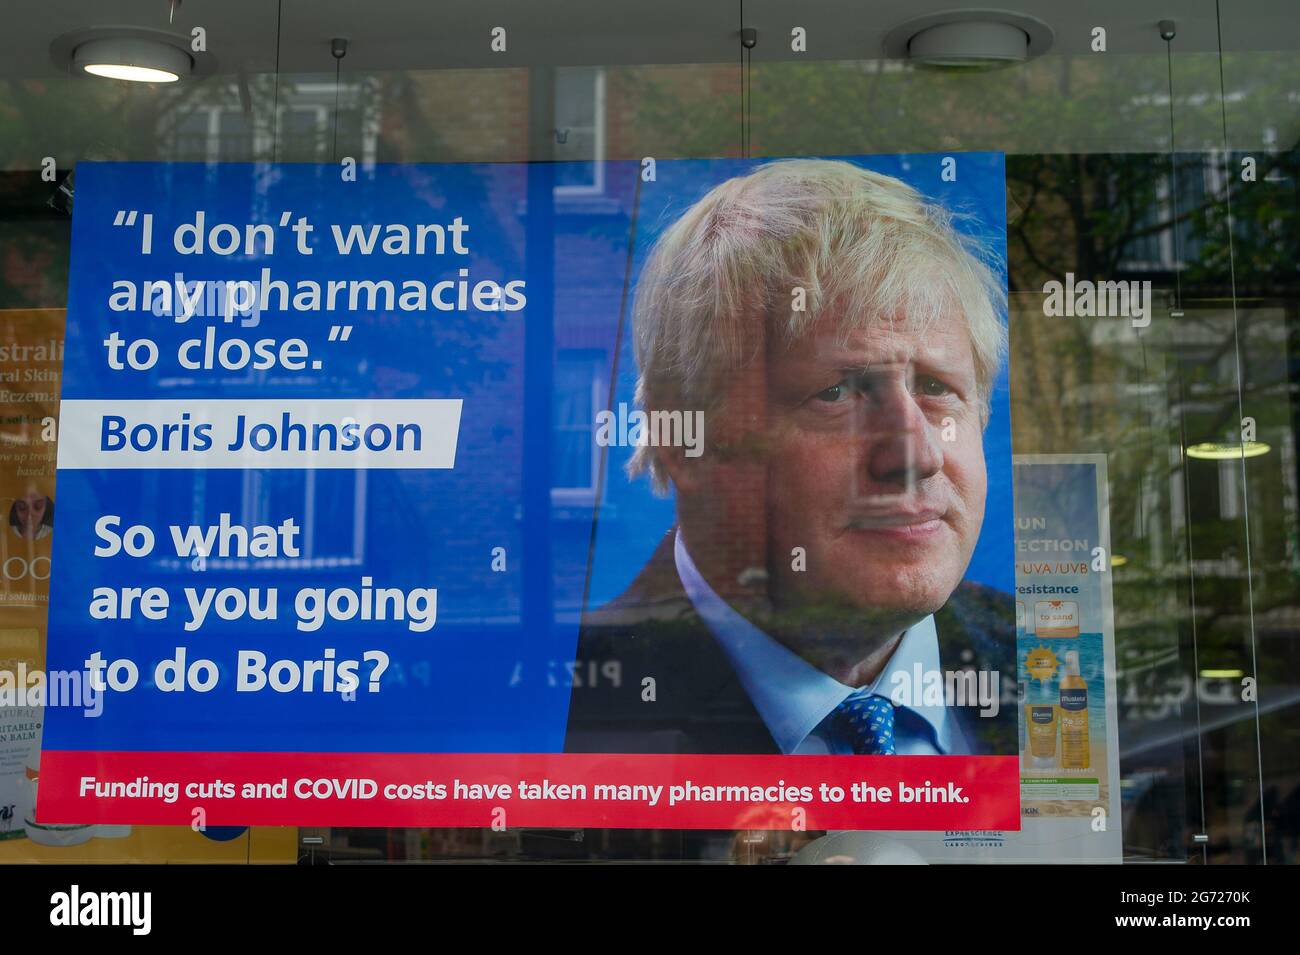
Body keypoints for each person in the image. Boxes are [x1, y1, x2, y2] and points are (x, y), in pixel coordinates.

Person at [566, 159, 1014, 757]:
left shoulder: (1061, 664)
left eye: (936, 389)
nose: (917, 454)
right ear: (683, 442)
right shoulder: (561, 713)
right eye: (836, 393)